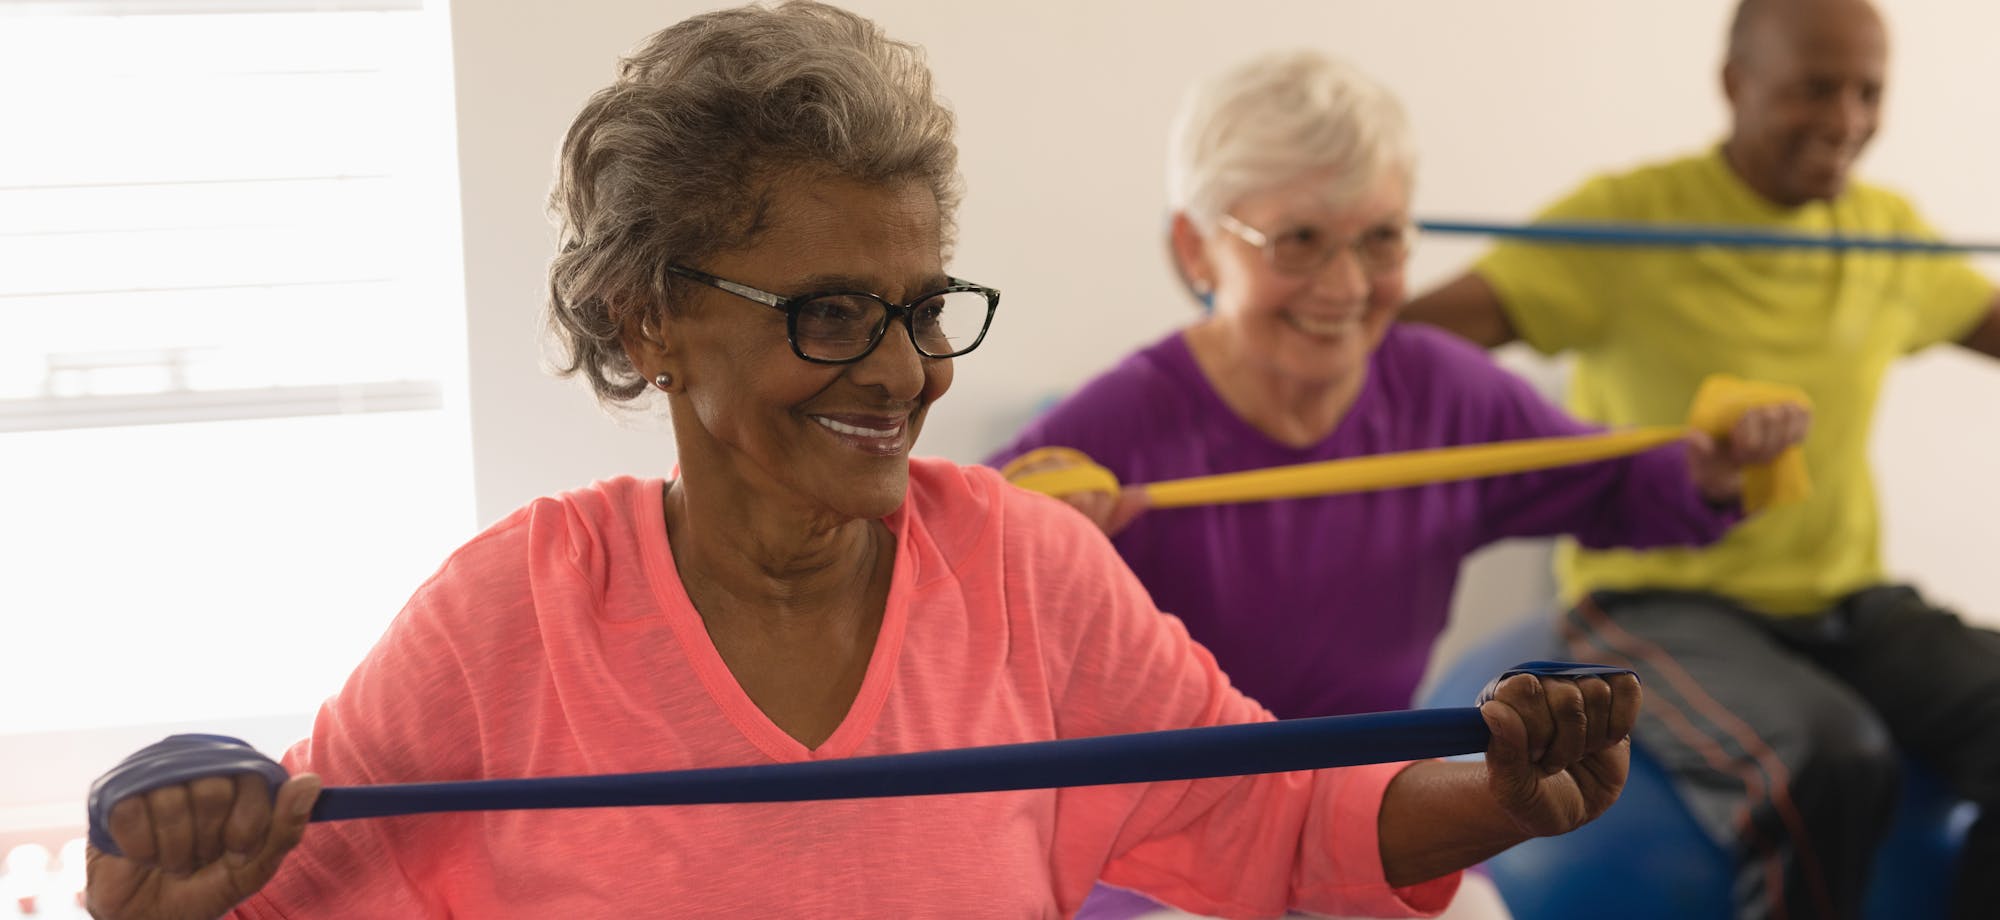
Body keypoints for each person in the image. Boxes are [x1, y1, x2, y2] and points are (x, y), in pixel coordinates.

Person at [82, 4, 1642, 919]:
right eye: (830, 314)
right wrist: (160, 891)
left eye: (915, 306)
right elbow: (285, 885)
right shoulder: (513, 616)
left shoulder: (1028, 573)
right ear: (649, 321)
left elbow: (1286, 823)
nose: (903, 371)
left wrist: (1504, 795)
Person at [985, 50, 1806, 920]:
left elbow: (1614, 483)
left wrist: (1713, 467)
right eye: (1299, 241)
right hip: (1167, 861)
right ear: (1196, 246)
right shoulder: (1115, 426)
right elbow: (933, 573)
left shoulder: (1446, 393)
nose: (1345, 287)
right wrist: (1024, 546)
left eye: (1380, 241)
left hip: (1371, 831)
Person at [1401, 1, 2000, 917]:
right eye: (1814, 89)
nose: (1845, 120)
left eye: (1867, 92)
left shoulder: (1885, 235)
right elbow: (1408, 345)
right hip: (1656, 593)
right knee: (1828, 758)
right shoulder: (1630, 223)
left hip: (1843, 600)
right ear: (1736, 84)